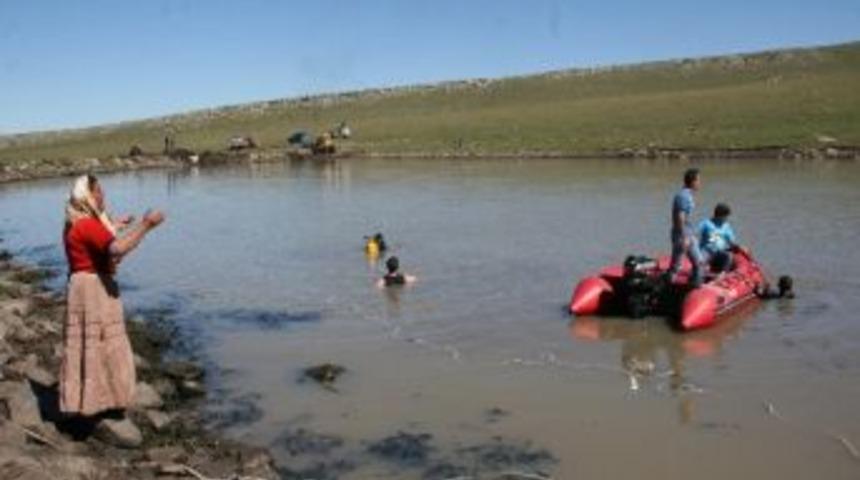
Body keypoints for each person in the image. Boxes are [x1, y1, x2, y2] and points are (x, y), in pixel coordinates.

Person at [60, 174, 165, 418]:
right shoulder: (86, 225)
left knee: (89, 345)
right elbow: (116, 249)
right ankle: (100, 402)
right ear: (87, 197)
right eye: (99, 192)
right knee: (103, 343)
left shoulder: (74, 221)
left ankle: (87, 401)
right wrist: (147, 225)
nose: (103, 196)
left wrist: (116, 226)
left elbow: (99, 242)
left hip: (82, 285)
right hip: (93, 289)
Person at [667, 168, 704, 286]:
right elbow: (680, 216)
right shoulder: (683, 196)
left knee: (692, 263)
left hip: (687, 234)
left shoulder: (686, 195)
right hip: (683, 235)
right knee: (682, 265)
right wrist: (685, 237)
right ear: (692, 181)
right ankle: (694, 288)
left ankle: (693, 286)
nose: (700, 183)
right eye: (698, 180)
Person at [698, 203, 739, 273]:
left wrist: (737, 247)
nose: (727, 218)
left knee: (729, 256)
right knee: (702, 259)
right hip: (706, 251)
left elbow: (731, 242)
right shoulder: (706, 223)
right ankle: (703, 269)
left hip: (719, 253)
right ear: (720, 215)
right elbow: (695, 234)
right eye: (726, 216)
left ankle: (722, 275)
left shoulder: (726, 226)